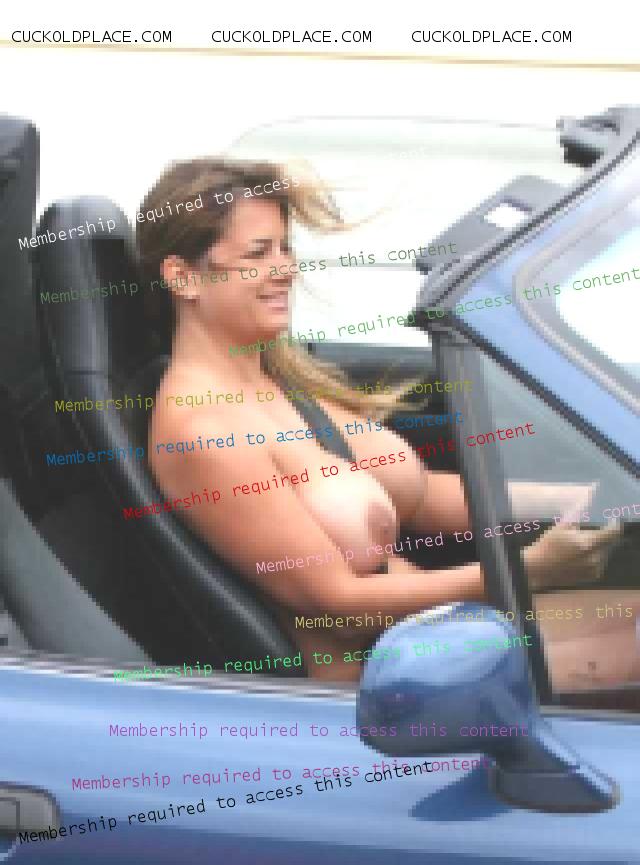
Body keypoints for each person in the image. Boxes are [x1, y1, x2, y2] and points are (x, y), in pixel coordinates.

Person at [137, 157, 633, 685]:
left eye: (286, 248)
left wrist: (588, 496)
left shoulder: (274, 383)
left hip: (441, 637)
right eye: (258, 253)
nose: (285, 269)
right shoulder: (204, 435)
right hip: (393, 689)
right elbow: (338, 605)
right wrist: (528, 571)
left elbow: (420, 496)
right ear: (183, 277)